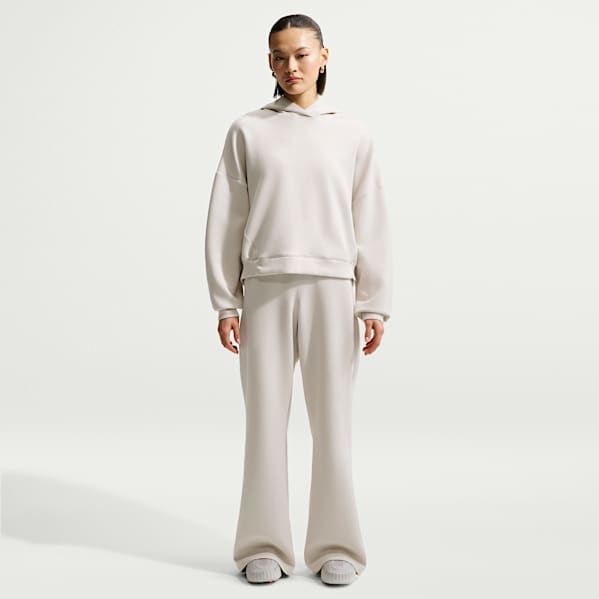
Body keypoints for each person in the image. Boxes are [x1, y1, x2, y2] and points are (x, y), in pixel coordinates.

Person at [204, 13, 392, 586]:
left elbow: (370, 216)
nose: (291, 66)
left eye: (302, 54)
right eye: (280, 56)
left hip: (333, 288)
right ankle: (263, 544)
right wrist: (225, 302)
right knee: (265, 422)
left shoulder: (352, 133)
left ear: (324, 56)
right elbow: (227, 217)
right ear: (269, 61)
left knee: (332, 424)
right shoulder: (248, 130)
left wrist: (373, 302)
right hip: (263, 288)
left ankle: (337, 545)